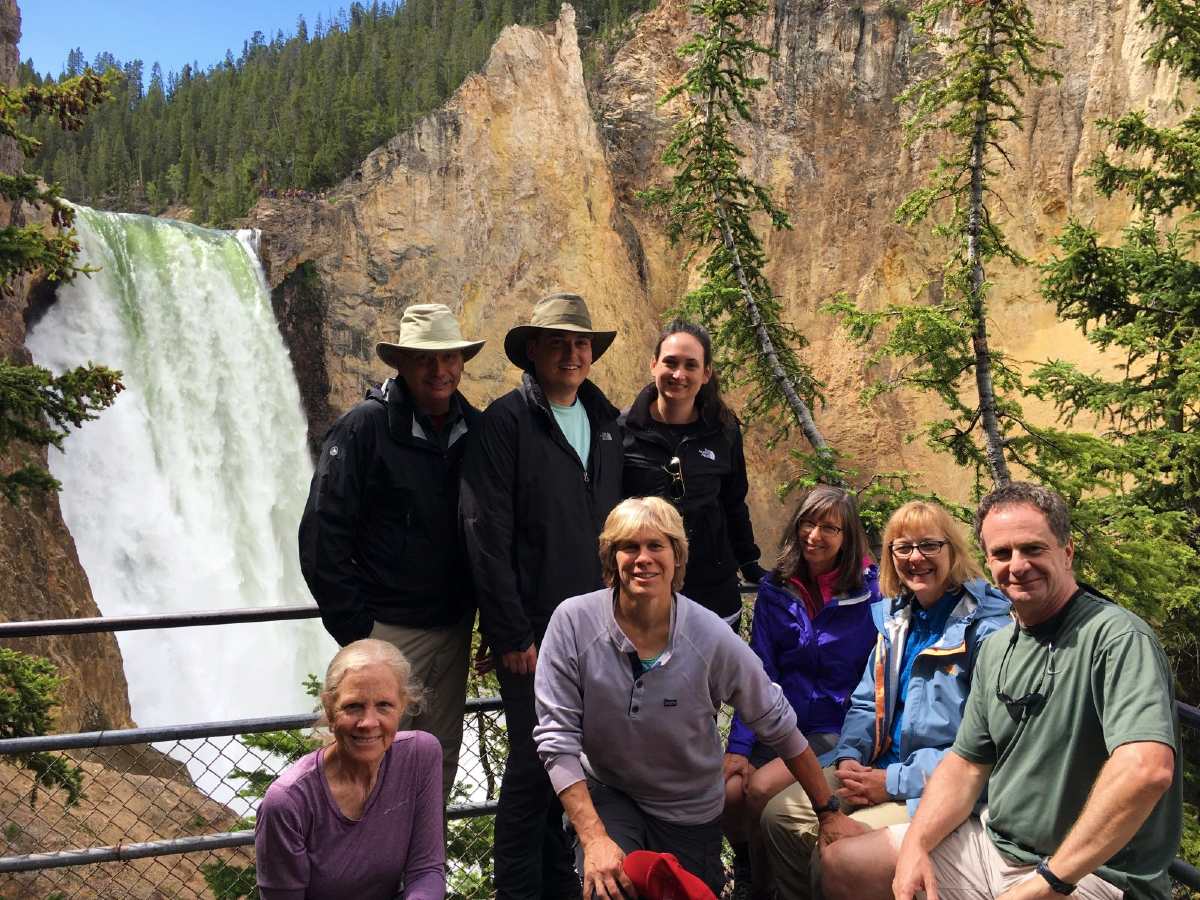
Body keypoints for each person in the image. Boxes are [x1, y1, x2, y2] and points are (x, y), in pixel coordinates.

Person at [823, 482, 1182, 900]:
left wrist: (1048, 883)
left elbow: (1146, 770)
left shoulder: (1116, 638)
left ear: (1067, 552)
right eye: (1002, 554)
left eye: (1033, 549)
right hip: (996, 846)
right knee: (843, 866)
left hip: (1092, 873)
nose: (1017, 565)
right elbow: (964, 765)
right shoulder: (999, 647)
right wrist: (917, 845)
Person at [533, 497, 869, 900]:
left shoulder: (708, 635)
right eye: (629, 546)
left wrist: (827, 810)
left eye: (656, 546)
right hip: (610, 788)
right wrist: (594, 837)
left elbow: (776, 719)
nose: (643, 559)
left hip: (687, 805)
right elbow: (557, 738)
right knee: (610, 886)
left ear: (677, 557)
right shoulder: (572, 621)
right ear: (611, 556)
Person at [758, 499, 1009, 899]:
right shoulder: (896, 618)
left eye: (929, 545)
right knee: (779, 818)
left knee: (835, 851)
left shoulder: (986, 631)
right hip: (873, 764)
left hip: (932, 787)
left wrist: (890, 782)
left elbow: (983, 748)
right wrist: (849, 756)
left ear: (953, 550)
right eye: (902, 547)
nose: (916, 558)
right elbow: (864, 701)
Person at [460, 292, 624, 900]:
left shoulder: (606, 422)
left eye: (581, 342)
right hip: (534, 636)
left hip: (601, 632)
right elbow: (485, 530)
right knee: (533, 774)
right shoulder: (506, 422)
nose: (572, 352)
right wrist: (510, 633)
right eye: (558, 341)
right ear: (533, 350)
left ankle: (560, 887)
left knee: (574, 772)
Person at [298, 303, 483, 802]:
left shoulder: (475, 431)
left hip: (452, 627)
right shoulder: (365, 428)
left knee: (435, 754)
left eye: (448, 357)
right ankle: (359, 872)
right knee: (368, 753)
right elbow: (321, 532)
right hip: (388, 627)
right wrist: (360, 632)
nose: (439, 370)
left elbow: (491, 530)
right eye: (425, 359)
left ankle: (422, 869)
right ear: (401, 363)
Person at [721, 485, 881, 896]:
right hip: (778, 718)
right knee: (730, 790)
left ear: (848, 538)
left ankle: (765, 887)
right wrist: (739, 746)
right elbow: (759, 670)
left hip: (833, 726)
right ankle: (748, 872)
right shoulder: (777, 589)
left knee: (757, 790)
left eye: (830, 527)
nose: (815, 535)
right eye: (809, 522)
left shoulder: (870, 593)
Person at [254, 639, 444, 899]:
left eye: (384, 705)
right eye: (353, 706)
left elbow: (426, 870)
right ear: (331, 710)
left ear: (402, 706)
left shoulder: (420, 755)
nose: (368, 722)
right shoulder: (288, 803)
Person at [620, 319, 765, 626]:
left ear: (706, 373)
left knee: (713, 673)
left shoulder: (723, 430)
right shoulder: (622, 432)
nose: (679, 374)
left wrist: (749, 561)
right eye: (670, 363)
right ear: (653, 364)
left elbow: (734, 502)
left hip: (712, 588)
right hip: (643, 589)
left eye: (691, 365)